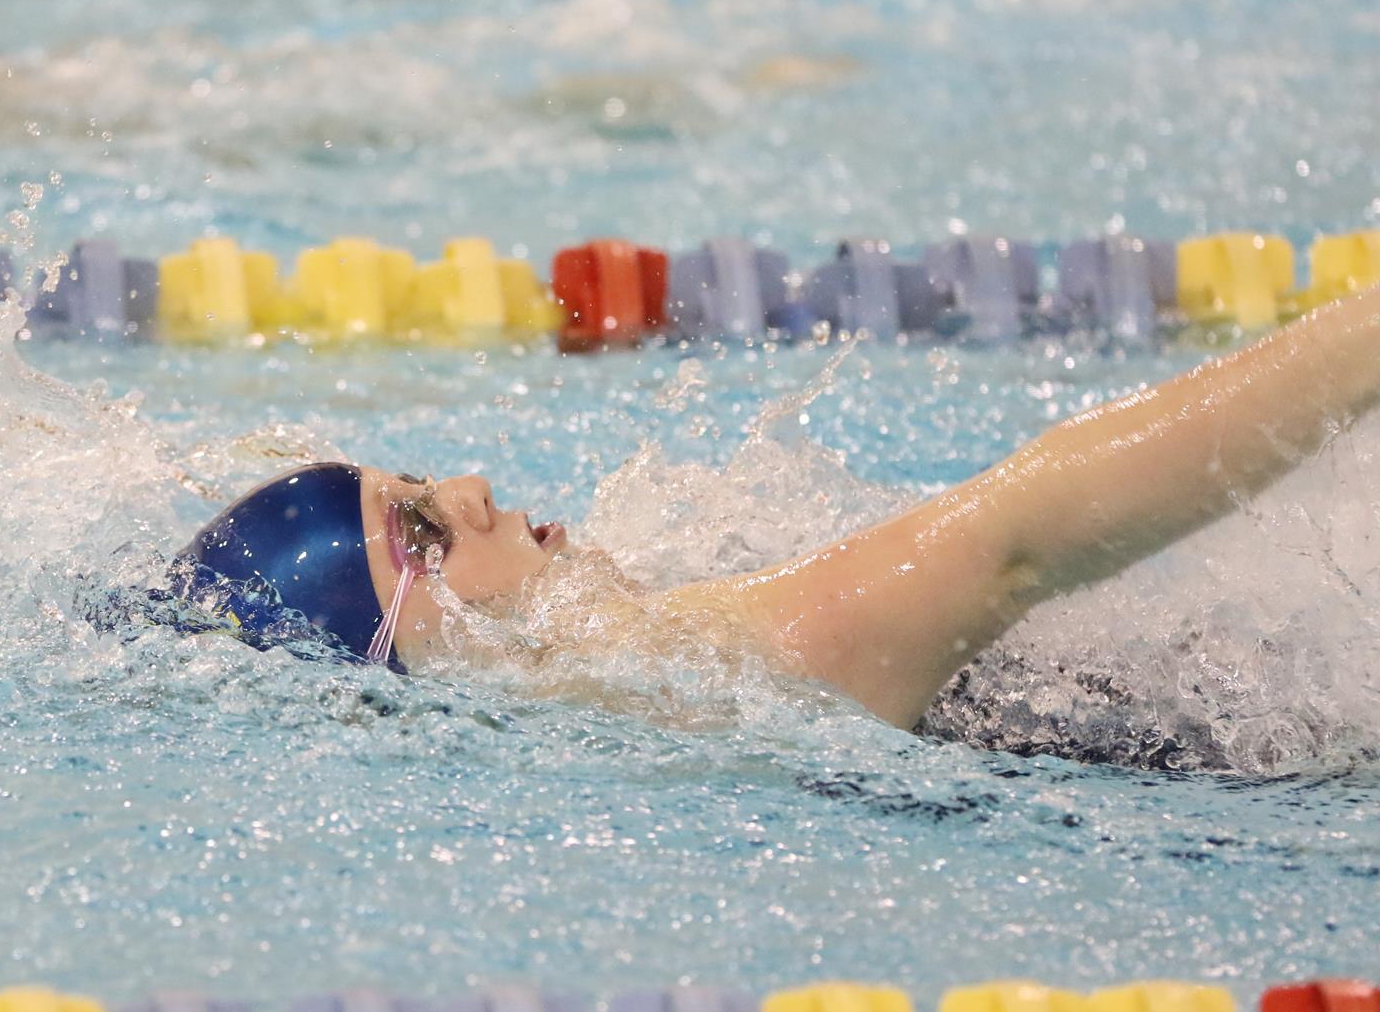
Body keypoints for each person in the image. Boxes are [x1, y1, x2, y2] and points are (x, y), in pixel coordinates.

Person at [152, 280, 1380, 730]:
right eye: (420, 528)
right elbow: (1018, 535)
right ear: (395, 657)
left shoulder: (667, 704)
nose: (470, 488)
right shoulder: (762, 663)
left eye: (422, 482)